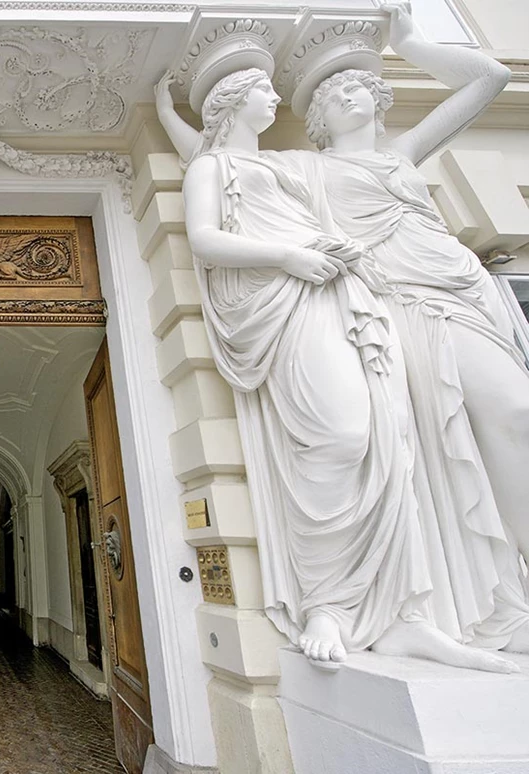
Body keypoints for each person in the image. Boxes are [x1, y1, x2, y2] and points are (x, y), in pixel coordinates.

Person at [158, 65, 514, 673]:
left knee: (390, 443)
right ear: (233, 103)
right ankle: (330, 602)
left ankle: (407, 613)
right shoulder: (214, 167)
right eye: (261, 88)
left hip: (346, 298)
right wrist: (292, 255)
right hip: (288, 295)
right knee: (344, 436)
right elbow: (205, 230)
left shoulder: (294, 166)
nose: (277, 95)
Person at [287, 1, 529, 653]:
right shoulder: (310, 172)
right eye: (336, 90)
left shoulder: (402, 155)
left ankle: (517, 591)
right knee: (449, 443)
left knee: (515, 413)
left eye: (359, 85)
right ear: (316, 118)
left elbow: (488, 80)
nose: (350, 93)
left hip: (462, 291)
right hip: (401, 312)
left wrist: (412, 37)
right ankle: (489, 595)